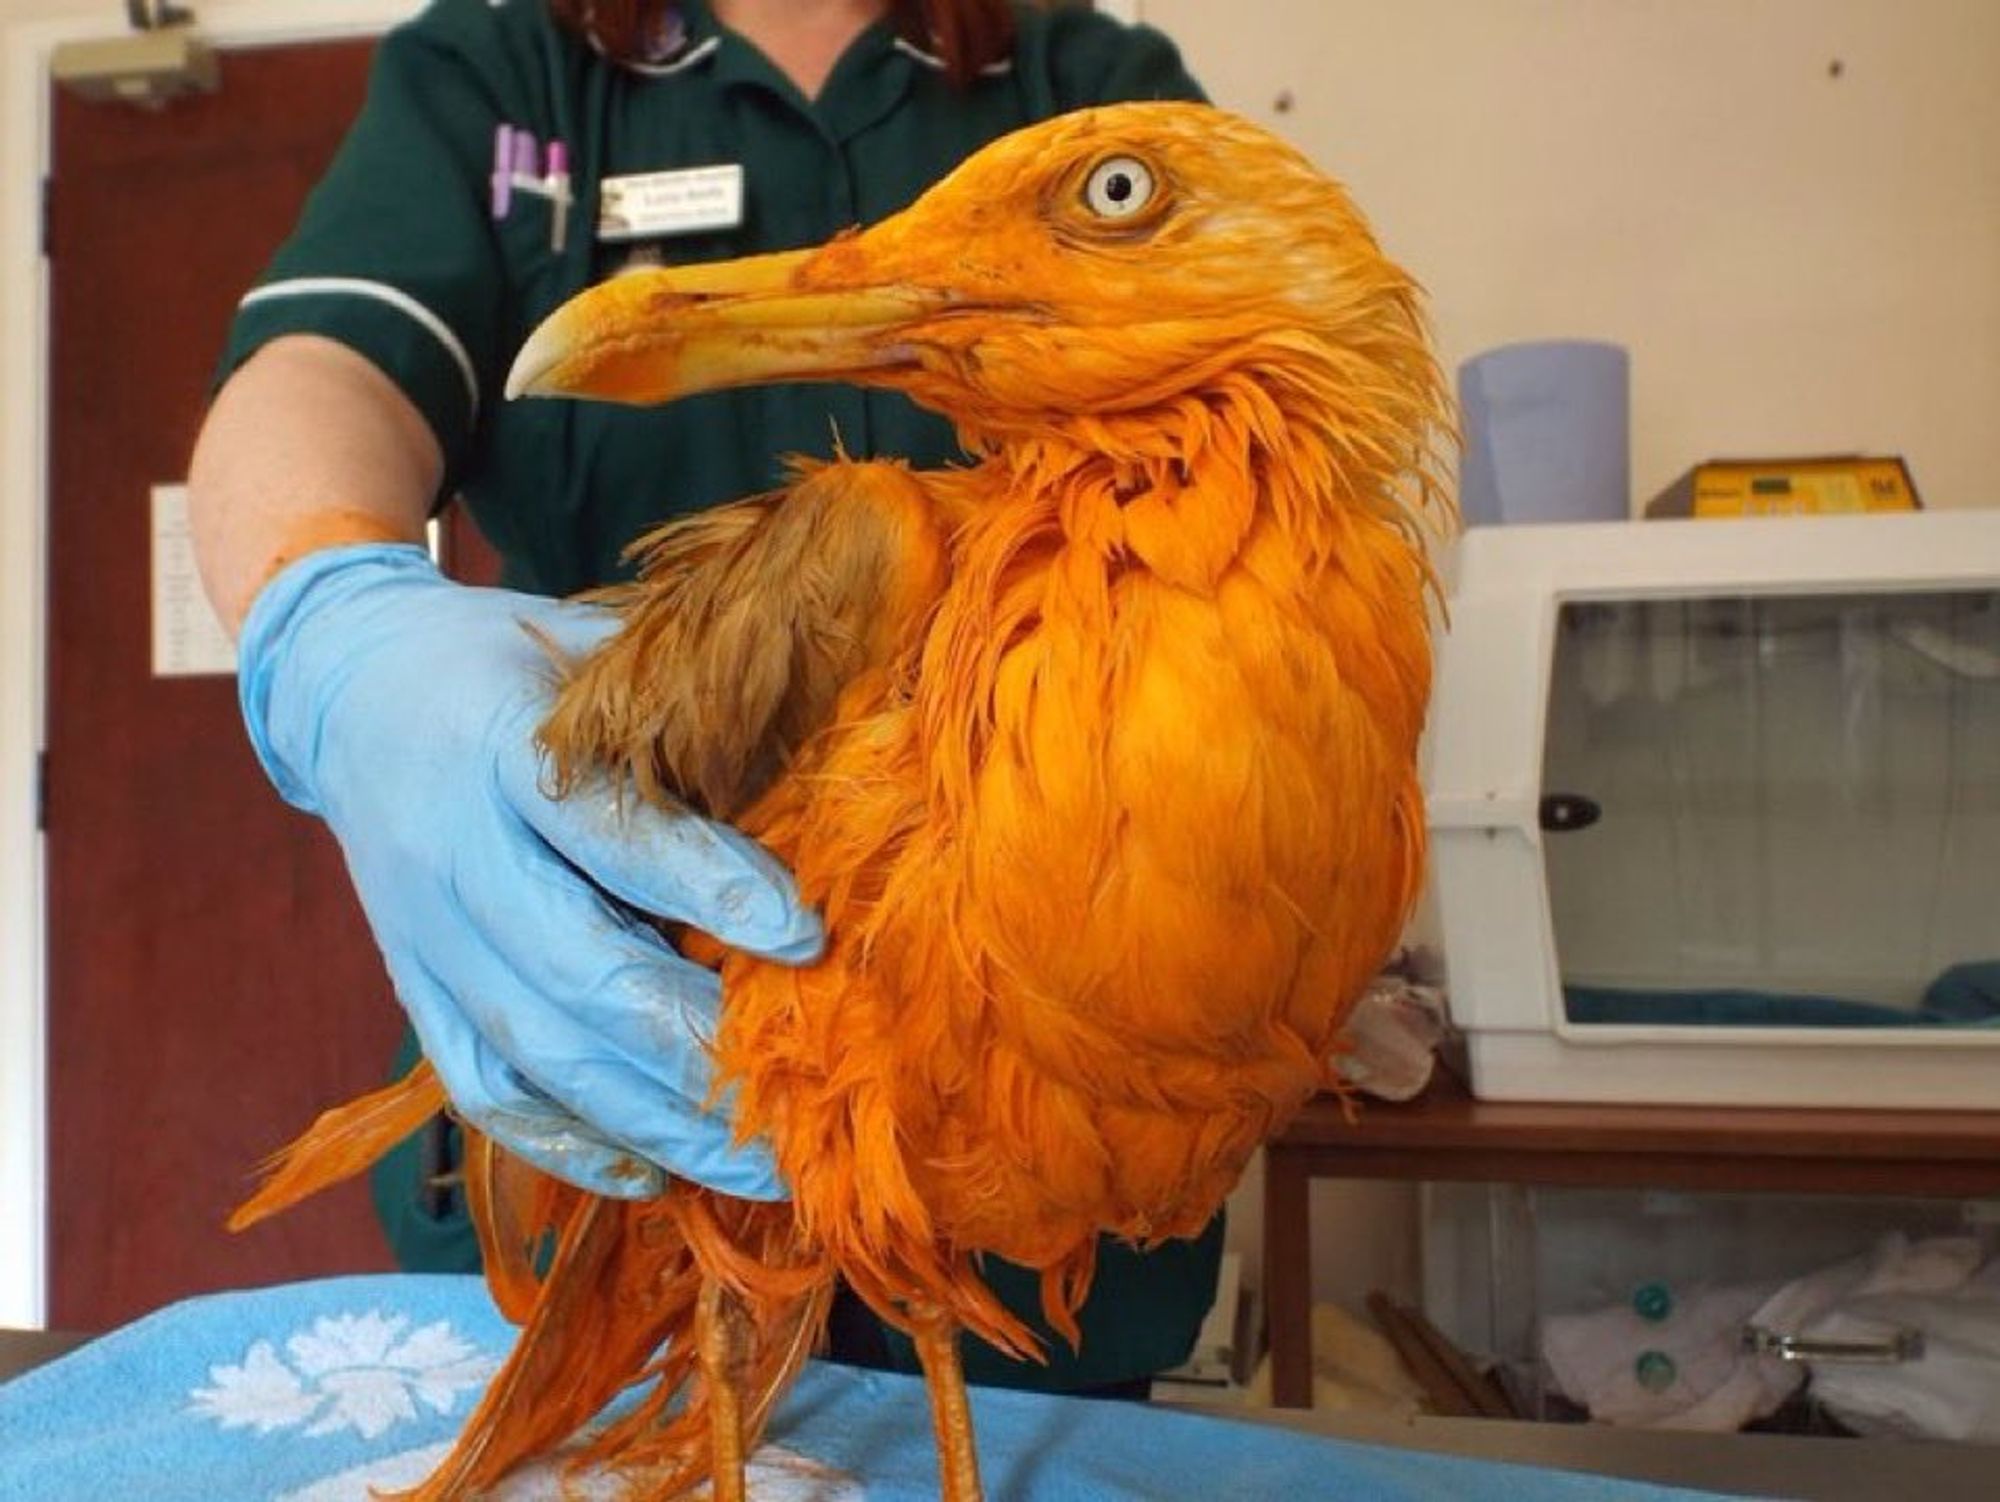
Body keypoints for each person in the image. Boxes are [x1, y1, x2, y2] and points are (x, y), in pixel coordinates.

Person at [189, 0, 1221, 1398]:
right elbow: (322, 367)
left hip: (1035, 1094)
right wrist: (334, 626)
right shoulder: (506, 72)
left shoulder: (1084, 80)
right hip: (610, 1027)